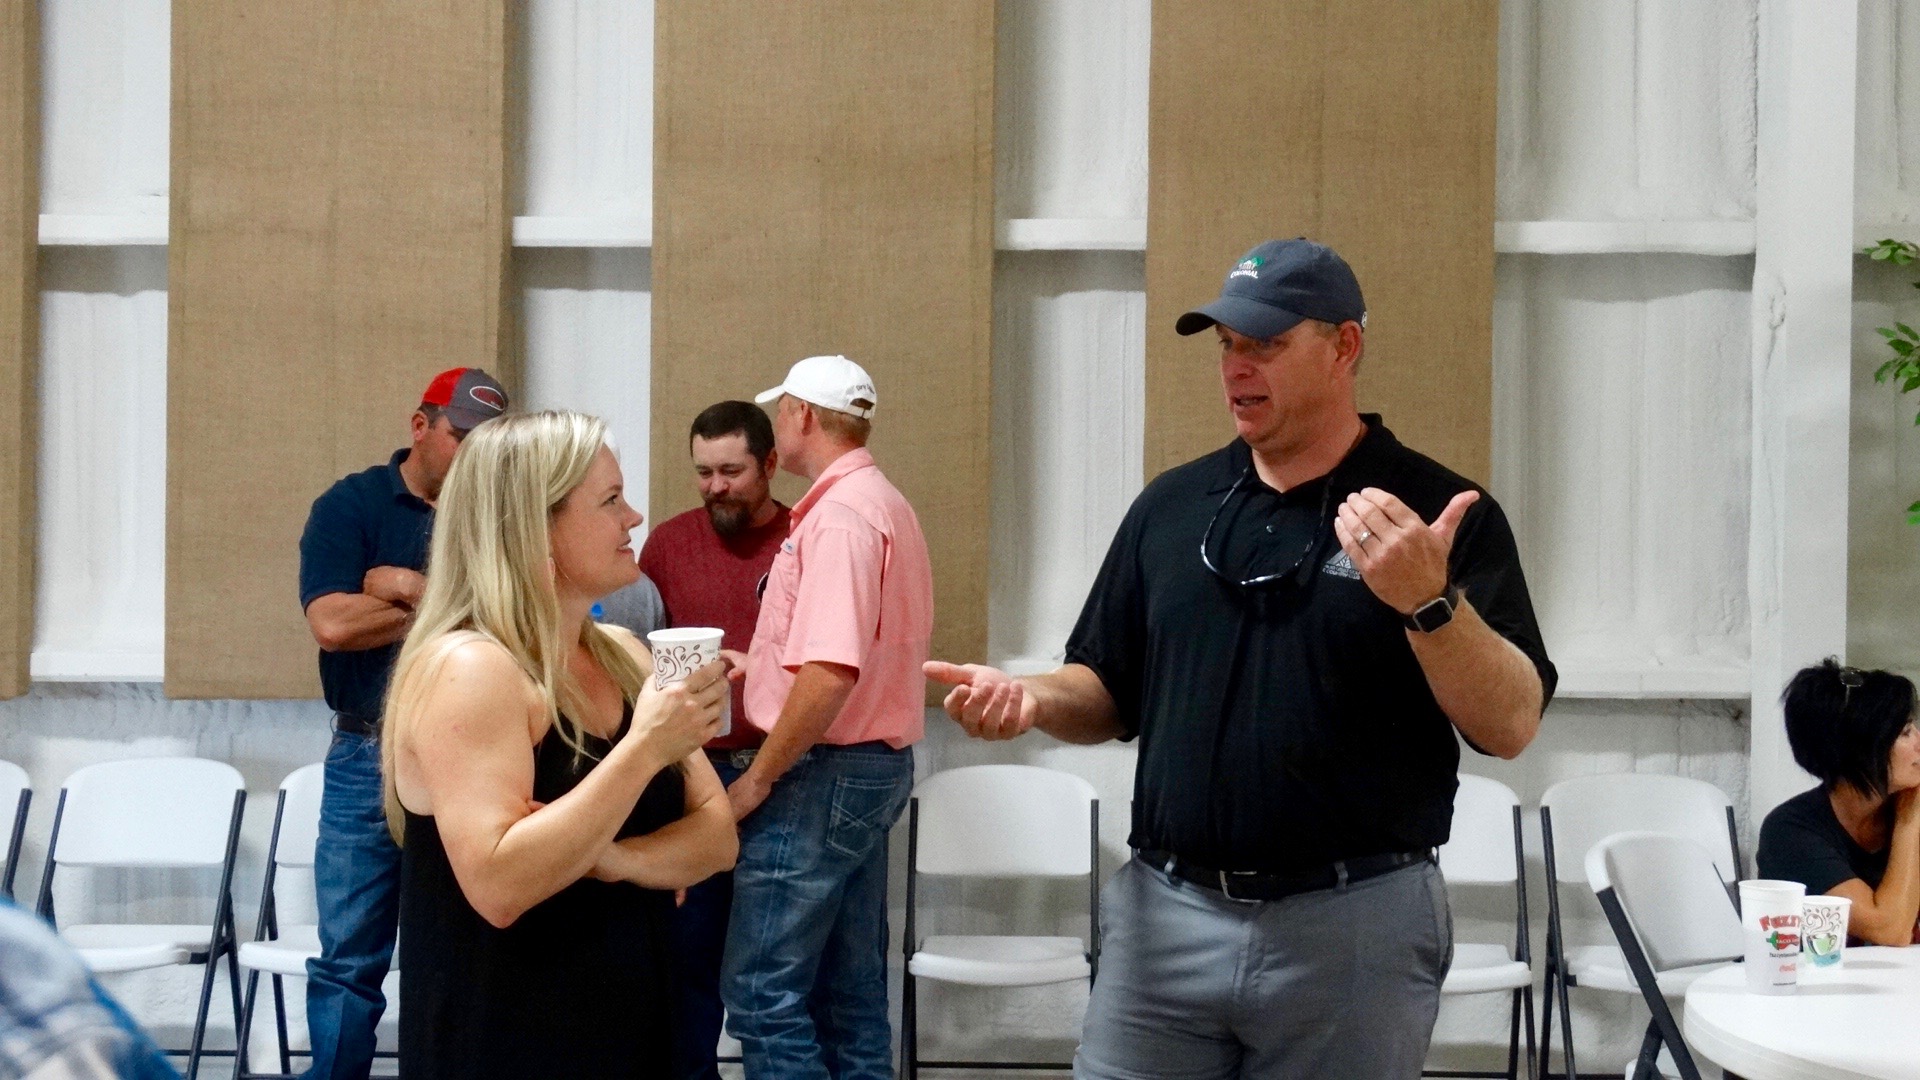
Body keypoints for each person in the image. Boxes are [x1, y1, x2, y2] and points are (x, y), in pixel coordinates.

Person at [926, 238, 1555, 1079]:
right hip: (1164, 923)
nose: (1236, 367)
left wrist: (1429, 601)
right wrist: (1033, 699)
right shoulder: (1172, 505)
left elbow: (1511, 725)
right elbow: (1107, 685)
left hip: (1351, 930)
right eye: (1227, 344)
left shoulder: (1435, 513)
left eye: (1266, 343)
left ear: (1344, 346)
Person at [380, 410, 739, 1079]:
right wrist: (644, 749)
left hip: (632, 1029)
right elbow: (500, 885)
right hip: (509, 1041)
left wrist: (612, 859)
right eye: (610, 501)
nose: (634, 518)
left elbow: (717, 839)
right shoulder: (472, 669)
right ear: (533, 527)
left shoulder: (626, 654)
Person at [720, 356, 933, 1080]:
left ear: (803, 416)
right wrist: (764, 666)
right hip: (864, 769)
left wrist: (757, 780)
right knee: (849, 997)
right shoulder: (882, 502)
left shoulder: (839, 518)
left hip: (819, 774)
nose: (778, 425)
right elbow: (852, 653)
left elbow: (832, 670)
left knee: (762, 994)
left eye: (780, 411)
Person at [296, 366, 507, 1079]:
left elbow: (508, 618)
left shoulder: (496, 514)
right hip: (367, 748)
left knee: (458, 949)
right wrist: (448, 602)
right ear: (421, 427)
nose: (474, 455)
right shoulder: (351, 504)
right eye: (462, 437)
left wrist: (404, 586)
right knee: (349, 956)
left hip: (468, 754)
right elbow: (333, 625)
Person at [637, 400, 791, 1080]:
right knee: (687, 960)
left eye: (732, 471)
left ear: (770, 464)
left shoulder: (805, 538)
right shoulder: (668, 545)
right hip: (693, 773)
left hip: (787, 773)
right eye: (704, 472)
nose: (716, 487)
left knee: (776, 975)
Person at [1758, 659, 1920, 945]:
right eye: (1905, 732)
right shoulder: (1790, 832)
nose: (1919, 741)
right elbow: (1889, 930)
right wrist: (1911, 817)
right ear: (1860, 749)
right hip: (1816, 974)